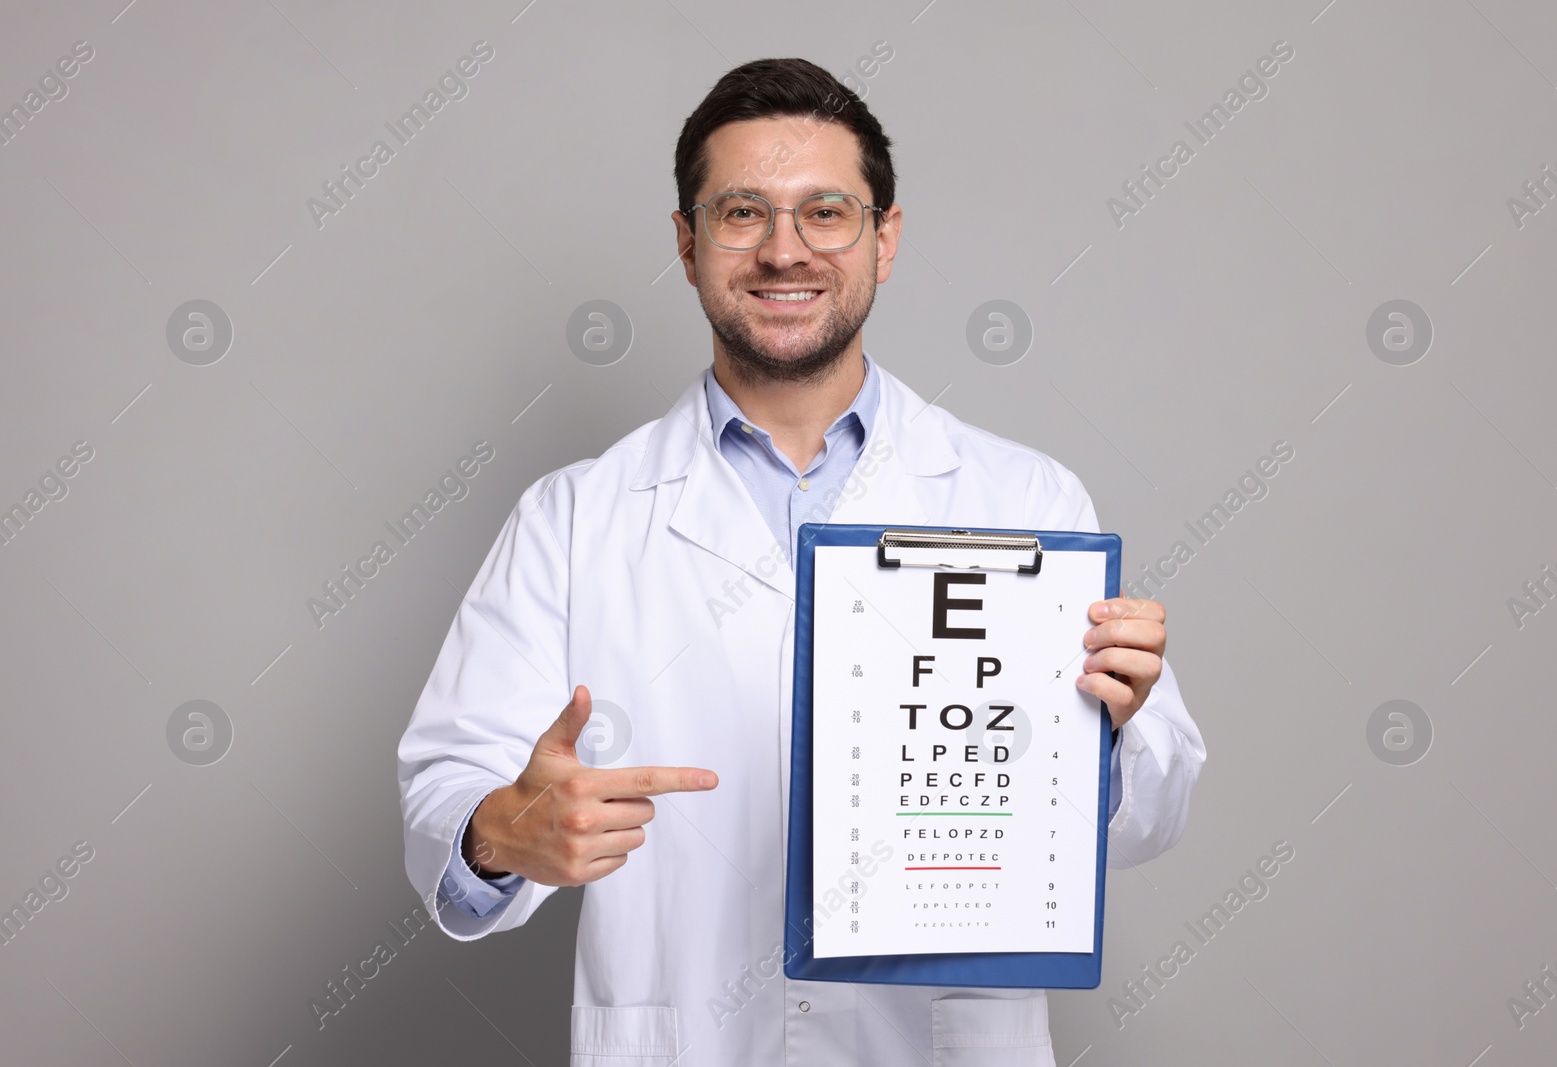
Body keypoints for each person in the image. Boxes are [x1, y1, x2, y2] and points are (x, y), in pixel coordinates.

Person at [398, 56, 1205, 1067]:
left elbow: (1144, 822)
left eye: (825, 212)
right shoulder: (574, 517)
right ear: (688, 245)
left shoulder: (1026, 504)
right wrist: (497, 834)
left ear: (885, 238)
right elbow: (448, 782)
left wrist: (1120, 724)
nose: (785, 251)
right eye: (742, 213)